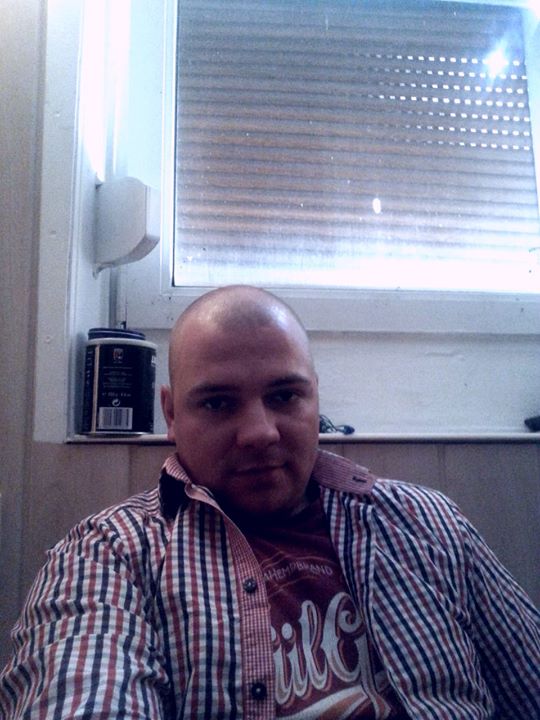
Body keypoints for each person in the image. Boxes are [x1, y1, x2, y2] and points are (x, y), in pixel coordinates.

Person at [1, 285, 538, 719]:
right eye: (217, 403)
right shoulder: (108, 556)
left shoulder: (430, 524)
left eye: (285, 396)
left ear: (315, 397)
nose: (260, 433)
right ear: (171, 413)